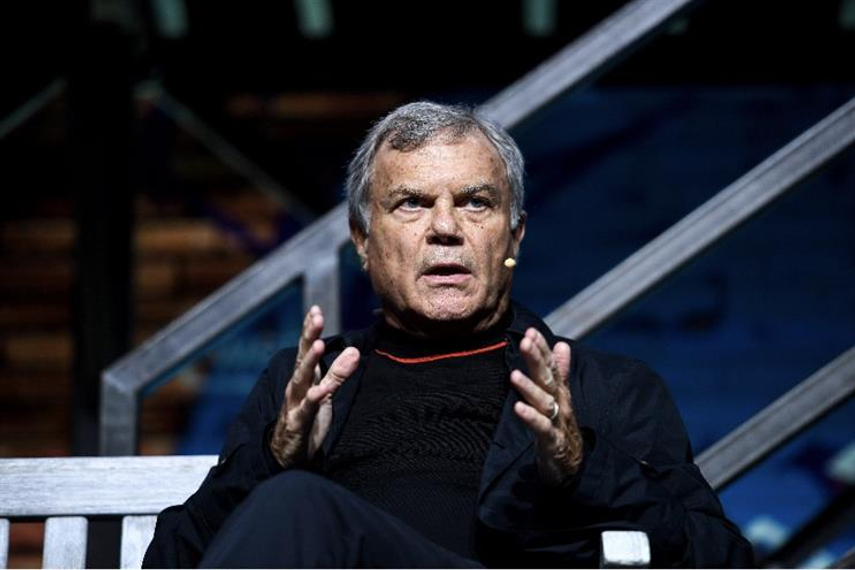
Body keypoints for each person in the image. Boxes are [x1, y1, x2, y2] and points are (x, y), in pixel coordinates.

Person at [143, 101, 754, 568]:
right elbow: (170, 561)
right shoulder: (305, 383)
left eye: (475, 203)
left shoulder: (604, 388)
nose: (445, 228)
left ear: (514, 236)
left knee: (296, 502)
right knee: (292, 500)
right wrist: (273, 458)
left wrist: (582, 466)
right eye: (411, 203)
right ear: (363, 240)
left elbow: (722, 558)